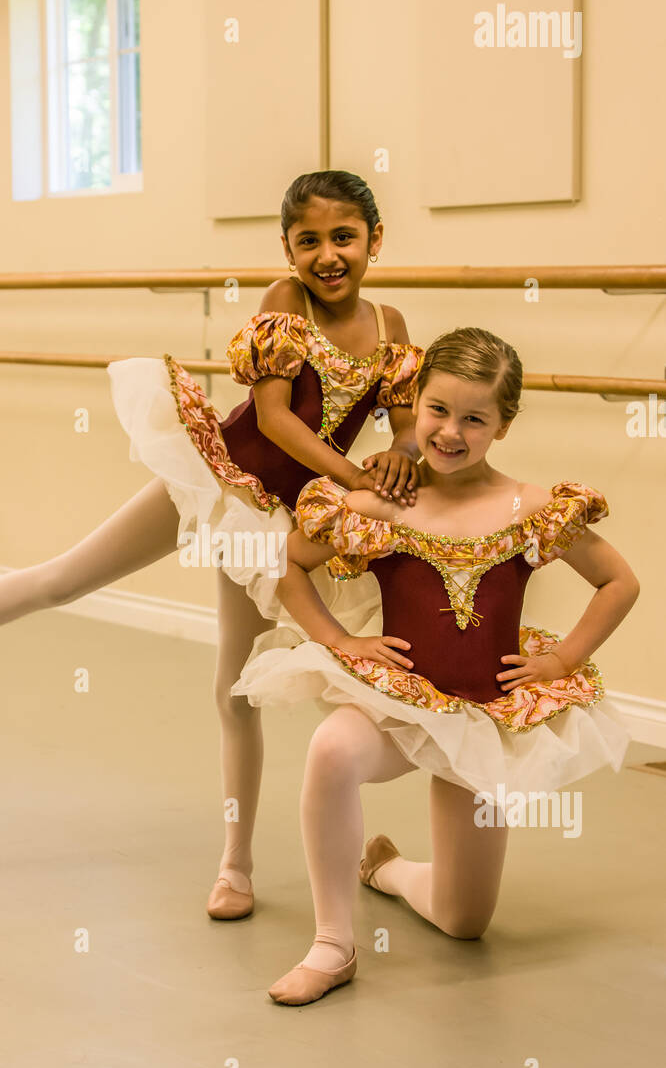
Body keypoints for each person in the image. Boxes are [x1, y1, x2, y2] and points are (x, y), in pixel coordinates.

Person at [0, 170, 424, 921]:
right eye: (309, 240)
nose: (328, 255)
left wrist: (403, 450)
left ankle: (236, 864)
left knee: (235, 687)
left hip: (282, 519)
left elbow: (403, 419)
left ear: (377, 239)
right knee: (64, 580)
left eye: (344, 237)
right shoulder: (286, 302)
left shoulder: (391, 323)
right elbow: (274, 420)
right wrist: (351, 479)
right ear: (287, 248)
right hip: (224, 478)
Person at [231, 326, 639, 1004]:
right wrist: (340, 642)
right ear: (415, 405)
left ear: (503, 425)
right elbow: (293, 570)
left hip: (485, 716)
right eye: (438, 411)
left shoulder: (530, 507)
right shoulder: (379, 502)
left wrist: (565, 656)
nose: (451, 432)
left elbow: (619, 582)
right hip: (400, 703)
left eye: (474, 418)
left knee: (464, 922)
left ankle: (387, 870)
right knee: (332, 749)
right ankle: (332, 945)